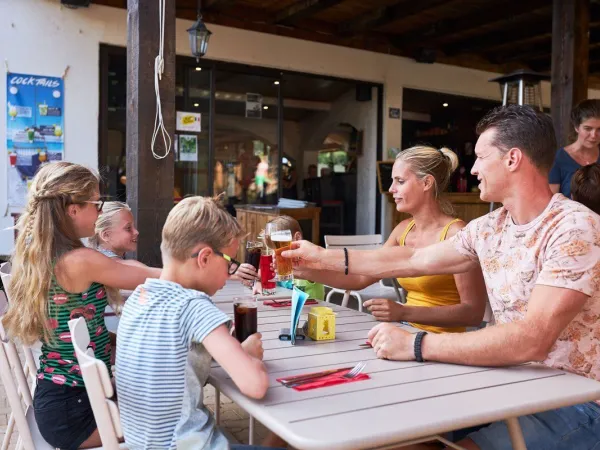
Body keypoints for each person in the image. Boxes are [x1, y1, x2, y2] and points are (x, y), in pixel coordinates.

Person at [283, 105, 600, 449]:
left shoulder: (574, 227)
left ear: (512, 159)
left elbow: (531, 339)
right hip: (510, 384)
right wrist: (320, 257)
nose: (473, 168)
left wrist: (416, 343)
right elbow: (415, 258)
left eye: (480, 157)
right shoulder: (490, 227)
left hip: (576, 399)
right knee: (386, 434)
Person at [2, 162, 161, 450]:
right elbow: (150, 277)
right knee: (173, 419)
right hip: (75, 412)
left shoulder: (44, 251)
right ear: (72, 210)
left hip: (64, 399)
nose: (100, 211)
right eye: (97, 203)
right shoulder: (80, 260)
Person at [116, 196, 278, 450]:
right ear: (204, 258)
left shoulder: (138, 297)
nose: (229, 273)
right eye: (229, 263)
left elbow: (172, 359)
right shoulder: (194, 306)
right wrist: (253, 360)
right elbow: (255, 385)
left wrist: (237, 353)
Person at [364, 146, 486, 333]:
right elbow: (364, 273)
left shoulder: (457, 234)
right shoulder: (403, 229)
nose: (391, 189)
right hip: (407, 332)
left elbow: (473, 312)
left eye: (400, 181)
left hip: (444, 344)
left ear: (427, 183)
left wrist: (403, 312)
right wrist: (310, 264)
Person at [254, 215, 325, 300]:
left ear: (297, 238)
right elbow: (261, 276)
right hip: (285, 309)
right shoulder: (276, 263)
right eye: (272, 249)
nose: (275, 253)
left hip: (312, 309)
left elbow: (316, 272)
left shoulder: (309, 260)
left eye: (278, 248)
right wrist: (258, 282)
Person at [549, 99, 600, 197]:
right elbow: (551, 202)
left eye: (599, 129)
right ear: (576, 127)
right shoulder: (558, 159)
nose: (594, 135)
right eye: (588, 128)